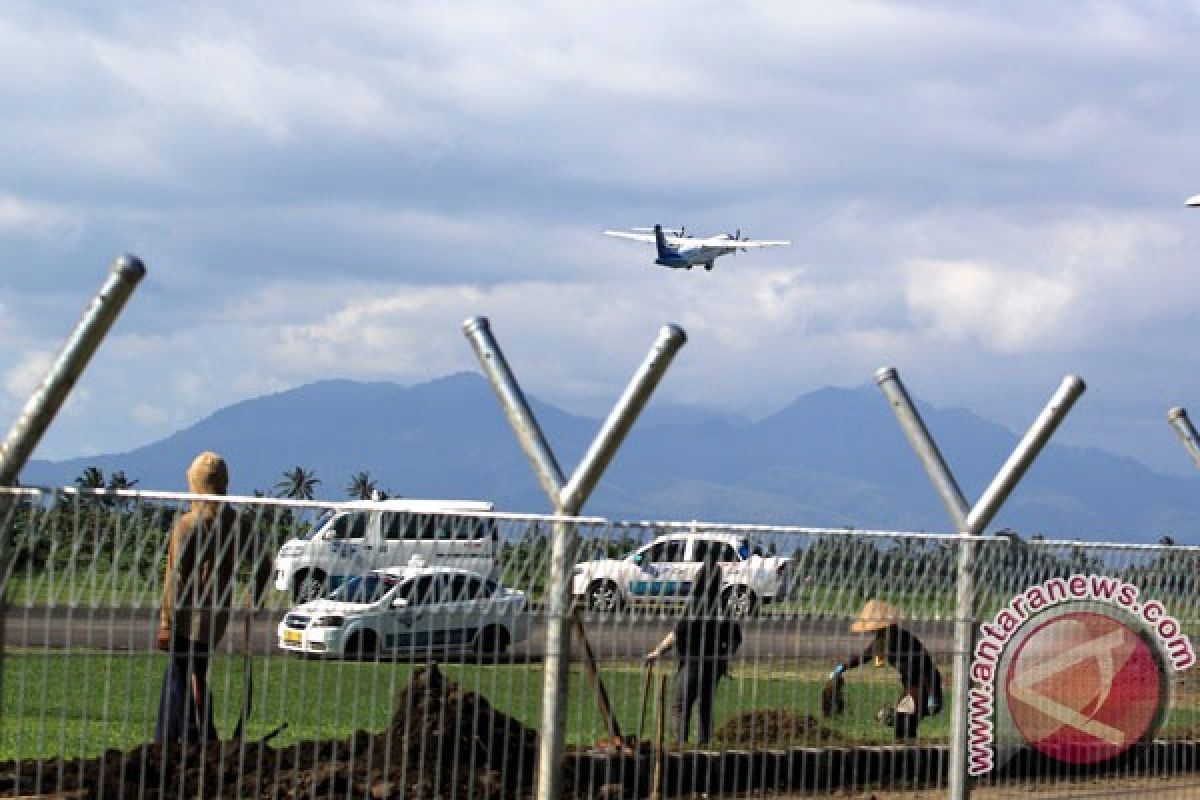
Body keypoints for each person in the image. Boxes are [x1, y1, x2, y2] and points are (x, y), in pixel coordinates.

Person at [155, 451, 270, 743]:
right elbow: (264, 565)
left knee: (182, 676)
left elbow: (175, 577)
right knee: (191, 671)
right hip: (216, 614)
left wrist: (166, 622)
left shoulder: (188, 524)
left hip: (185, 614)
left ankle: (189, 737)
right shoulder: (237, 524)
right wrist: (254, 600)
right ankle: (179, 737)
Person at [644, 555, 742, 745]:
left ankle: (680, 747)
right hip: (713, 666)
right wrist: (724, 657)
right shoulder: (722, 607)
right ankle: (704, 746)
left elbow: (676, 634)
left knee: (680, 706)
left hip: (692, 663)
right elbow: (736, 639)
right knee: (705, 706)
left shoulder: (694, 606)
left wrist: (657, 652)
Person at [829, 599, 943, 740]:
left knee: (905, 720)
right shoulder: (881, 642)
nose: (876, 633)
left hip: (925, 684)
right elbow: (864, 657)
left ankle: (909, 749)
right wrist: (842, 667)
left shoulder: (907, 641)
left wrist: (933, 696)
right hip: (909, 685)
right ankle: (907, 749)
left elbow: (926, 668)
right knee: (898, 721)